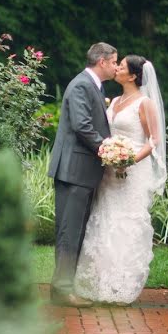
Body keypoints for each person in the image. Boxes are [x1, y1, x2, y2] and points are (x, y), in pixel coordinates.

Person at [73, 55, 167, 305]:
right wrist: (110, 155)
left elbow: (153, 140)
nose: (117, 68)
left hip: (133, 170)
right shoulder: (114, 100)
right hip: (110, 171)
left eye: (122, 66)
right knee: (105, 219)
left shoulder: (144, 103)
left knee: (126, 223)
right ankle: (101, 282)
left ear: (133, 76)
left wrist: (130, 159)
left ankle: (122, 284)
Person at [47, 43, 118, 307]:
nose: (115, 66)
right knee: (69, 231)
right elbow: (82, 125)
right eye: (113, 62)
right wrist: (107, 148)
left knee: (74, 231)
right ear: (101, 61)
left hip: (82, 171)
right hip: (73, 170)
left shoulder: (94, 87)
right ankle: (63, 289)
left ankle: (64, 286)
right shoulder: (81, 86)